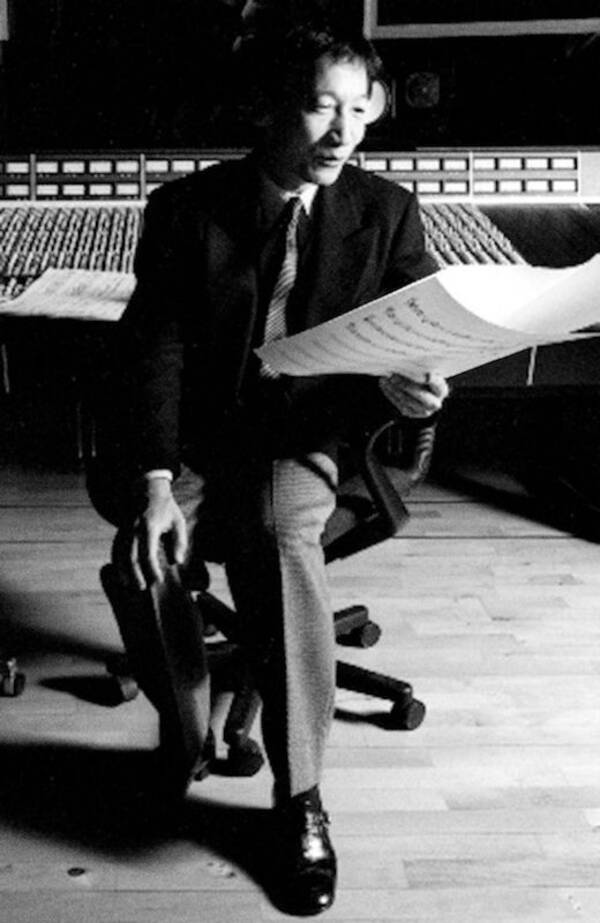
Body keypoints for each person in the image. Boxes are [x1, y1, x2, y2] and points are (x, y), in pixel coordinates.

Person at [110, 23, 448, 916]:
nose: (343, 133)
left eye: (359, 110)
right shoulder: (185, 209)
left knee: (278, 539)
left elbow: (419, 329)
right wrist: (154, 482)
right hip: (197, 440)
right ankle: (187, 736)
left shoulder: (387, 212)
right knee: (141, 559)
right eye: (321, 107)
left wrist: (414, 385)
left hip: (301, 434)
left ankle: (300, 798)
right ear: (266, 109)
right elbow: (155, 346)